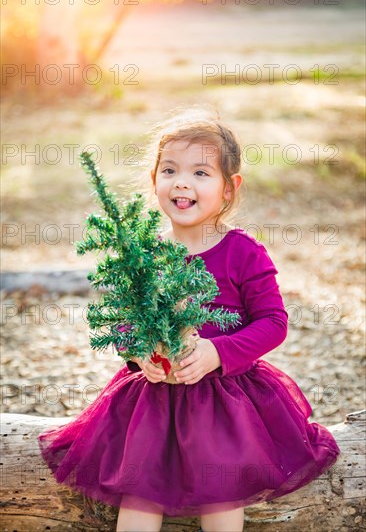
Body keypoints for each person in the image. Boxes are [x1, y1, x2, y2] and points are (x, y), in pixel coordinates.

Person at [38, 108, 341, 532]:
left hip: (226, 399)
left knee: (222, 494)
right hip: (154, 400)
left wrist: (218, 351)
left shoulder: (243, 252)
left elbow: (273, 322)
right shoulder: (143, 253)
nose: (182, 182)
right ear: (154, 180)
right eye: (170, 170)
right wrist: (141, 353)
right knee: (140, 494)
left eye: (201, 172)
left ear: (230, 188)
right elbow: (128, 320)